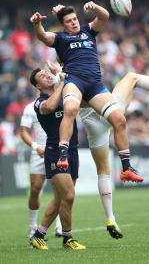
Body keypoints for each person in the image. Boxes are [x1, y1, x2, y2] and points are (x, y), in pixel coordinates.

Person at [48, 59, 149, 238]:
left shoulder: (61, 79)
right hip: (108, 112)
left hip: (93, 125)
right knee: (132, 77)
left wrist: (58, 76)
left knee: (102, 172)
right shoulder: (75, 69)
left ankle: (110, 219)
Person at [30, 2, 144, 183]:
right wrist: (37, 23)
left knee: (119, 120)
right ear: (62, 25)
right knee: (70, 109)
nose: (74, 23)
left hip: (95, 85)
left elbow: (104, 16)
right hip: (74, 81)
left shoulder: (88, 30)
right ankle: (63, 155)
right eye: (69, 21)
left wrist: (95, 7)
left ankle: (126, 168)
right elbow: (42, 36)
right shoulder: (59, 38)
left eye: (75, 19)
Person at [29, 68, 85, 250]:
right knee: (68, 196)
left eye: (47, 73)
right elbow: (51, 107)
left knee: (61, 198)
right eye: (42, 76)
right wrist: (61, 81)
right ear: (38, 86)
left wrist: (64, 77)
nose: (46, 75)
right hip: (55, 151)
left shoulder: (64, 94)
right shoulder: (39, 103)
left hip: (73, 149)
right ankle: (67, 239)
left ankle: (38, 235)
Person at [20, 100, 62, 238]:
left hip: (57, 150)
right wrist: (35, 147)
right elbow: (23, 132)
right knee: (35, 188)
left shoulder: (61, 103)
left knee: (59, 189)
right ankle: (33, 227)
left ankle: (59, 225)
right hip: (39, 150)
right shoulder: (31, 107)